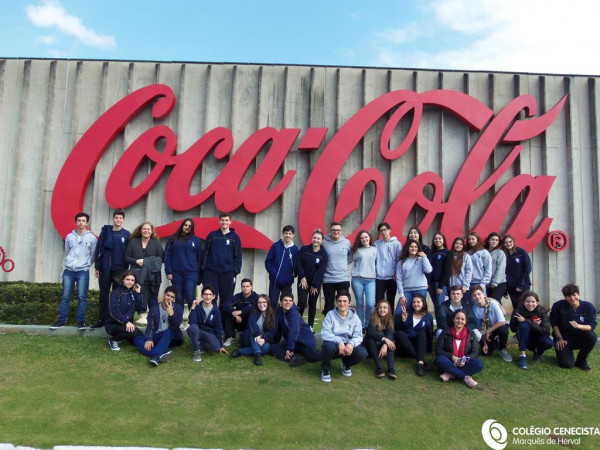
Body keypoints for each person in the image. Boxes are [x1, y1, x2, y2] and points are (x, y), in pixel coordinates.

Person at [50, 212, 97, 330]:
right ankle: (61, 320)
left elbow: (93, 254)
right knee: (65, 296)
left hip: (83, 271)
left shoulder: (91, 238)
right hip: (69, 270)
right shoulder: (69, 237)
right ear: (76, 222)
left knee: (82, 297)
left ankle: (81, 322)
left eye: (83, 221)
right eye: (79, 221)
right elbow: (67, 251)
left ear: (87, 223)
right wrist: (70, 263)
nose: (81, 223)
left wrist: (86, 264)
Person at [92, 210, 130, 329]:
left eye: (120, 218)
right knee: (104, 295)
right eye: (116, 217)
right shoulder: (106, 232)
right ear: (113, 219)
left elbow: (128, 253)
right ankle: (101, 320)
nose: (118, 220)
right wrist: (97, 266)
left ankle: (116, 320)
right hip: (105, 269)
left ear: (123, 220)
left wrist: (126, 270)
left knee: (117, 296)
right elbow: (99, 250)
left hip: (120, 270)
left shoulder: (126, 234)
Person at [320, 291, 368, 383]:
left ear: (349, 303)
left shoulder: (355, 317)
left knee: (362, 353)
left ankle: (346, 363)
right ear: (336, 302)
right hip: (333, 343)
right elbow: (325, 333)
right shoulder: (330, 315)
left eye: (345, 301)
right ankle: (325, 369)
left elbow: (358, 335)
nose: (342, 303)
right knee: (328, 347)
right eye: (339, 301)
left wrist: (351, 344)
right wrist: (339, 341)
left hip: (347, 345)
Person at [550, 283, 597, 371]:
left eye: (574, 295)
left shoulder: (588, 307)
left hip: (579, 337)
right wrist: (559, 339)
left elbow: (591, 326)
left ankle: (581, 360)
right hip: (564, 339)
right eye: (568, 296)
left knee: (592, 336)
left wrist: (579, 326)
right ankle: (564, 354)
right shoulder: (558, 306)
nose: (572, 298)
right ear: (565, 297)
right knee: (567, 364)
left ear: (578, 295)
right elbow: (554, 324)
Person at [434, 310, 484, 388]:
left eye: (462, 319)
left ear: (466, 321)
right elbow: (438, 350)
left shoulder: (471, 334)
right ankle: (465, 378)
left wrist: (464, 359)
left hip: (464, 362)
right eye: (457, 318)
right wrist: (452, 357)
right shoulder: (445, 333)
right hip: (449, 362)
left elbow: (475, 352)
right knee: (440, 359)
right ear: (453, 319)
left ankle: (450, 373)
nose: (460, 321)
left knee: (479, 364)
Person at [270, 292, 321, 367]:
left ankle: (331, 352)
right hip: (294, 342)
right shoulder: (279, 312)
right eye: (285, 300)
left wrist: (289, 348)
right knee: (272, 347)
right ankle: (295, 357)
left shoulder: (294, 313)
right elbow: (278, 329)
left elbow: (294, 331)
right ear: (280, 302)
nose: (288, 303)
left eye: (290, 301)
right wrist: (274, 341)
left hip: (304, 341)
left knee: (312, 357)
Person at [202, 213, 242, 306]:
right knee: (211, 298)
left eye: (227, 220)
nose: (224, 222)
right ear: (219, 221)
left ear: (230, 222)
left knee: (227, 299)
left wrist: (236, 271)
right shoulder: (212, 235)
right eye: (222, 220)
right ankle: (212, 319)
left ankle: (224, 321)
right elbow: (205, 253)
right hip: (211, 272)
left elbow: (238, 255)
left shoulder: (235, 237)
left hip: (228, 272)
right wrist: (203, 268)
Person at [163, 218, 203, 309]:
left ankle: (193, 321)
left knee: (190, 296)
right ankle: (178, 321)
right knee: (178, 297)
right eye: (185, 225)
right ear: (182, 226)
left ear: (192, 228)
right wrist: (168, 271)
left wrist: (199, 275)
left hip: (191, 273)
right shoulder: (173, 239)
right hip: (176, 273)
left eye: (189, 226)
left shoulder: (196, 240)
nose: (187, 227)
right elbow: (166, 255)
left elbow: (200, 258)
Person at [125, 221, 164, 310]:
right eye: (144, 229)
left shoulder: (156, 243)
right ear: (140, 230)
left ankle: (153, 321)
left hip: (153, 277)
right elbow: (127, 258)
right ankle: (140, 319)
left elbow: (161, 259)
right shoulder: (133, 242)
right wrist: (136, 261)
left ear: (151, 231)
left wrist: (146, 262)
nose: (146, 231)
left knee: (153, 301)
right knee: (139, 300)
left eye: (148, 229)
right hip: (137, 276)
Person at [509, 290, 553, 369]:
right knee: (524, 325)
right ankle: (522, 356)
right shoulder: (518, 310)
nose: (530, 304)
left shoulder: (541, 311)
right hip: (524, 337)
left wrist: (528, 321)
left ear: (537, 302)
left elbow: (546, 331)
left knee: (549, 343)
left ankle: (537, 353)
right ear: (523, 302)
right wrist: (526, 323)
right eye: (528, 301)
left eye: (533, 302)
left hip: (538, 336)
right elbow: (512, 328)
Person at [104, 270, 145, 352]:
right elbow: (113, 311)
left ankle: (125, 338)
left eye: (132, 280)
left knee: (139, 336)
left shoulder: (132, 293)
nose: (130, 282)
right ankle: (113, 340)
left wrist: (138, 293)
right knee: (133, 333)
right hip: (113, 325)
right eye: (128, 279)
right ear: (123, 280)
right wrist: (127, 322)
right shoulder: (115, 293)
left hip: (127, 325)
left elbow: (139, 307)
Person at [142, 286, 184, 366]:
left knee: (169, 331)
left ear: (174, 299)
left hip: (174, 337)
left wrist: (171, 314)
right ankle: (163, 352)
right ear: (164, 295)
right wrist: (149, 339)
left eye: (172, 297)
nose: (169, 298)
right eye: (168, 295)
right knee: (140, 339)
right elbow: (150, 326)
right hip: (159, 335)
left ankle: (155, 356)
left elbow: (175, 327)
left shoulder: (178, 309)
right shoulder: (154, 309)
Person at [296, 229, 328, 331]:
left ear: (322, 240)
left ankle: (310, 326)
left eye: (318, 238)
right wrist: (302, 277)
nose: (316, 240)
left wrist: (315, 284)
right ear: (311, 238)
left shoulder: (324, 254)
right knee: (301, 301)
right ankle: (297, 323)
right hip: (303, 281)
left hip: (315, 284)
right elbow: (298, 264)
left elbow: (321, 270)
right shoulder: (304, 249)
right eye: (314, 238)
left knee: (312, 303)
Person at [395, 293, 434, 376]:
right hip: (405, 347)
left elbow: (430, 335)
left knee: (421, 332)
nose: (416, 304)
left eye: (418, 302)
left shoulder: (428, 316)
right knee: (399, 333)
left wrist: (429, 349)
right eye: (414, 302)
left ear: (423, 303)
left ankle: (420, 364)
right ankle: (422, 361)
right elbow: (397, 330)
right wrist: (403, 320)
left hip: (419, 347)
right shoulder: (406, 313)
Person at [231, 294, 276, 366]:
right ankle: (257, 356)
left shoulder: (273, 315)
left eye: (264, 302)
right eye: (259, 302)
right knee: (251, 331)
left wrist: (264, 340)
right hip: (249, 338)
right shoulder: (254, 311)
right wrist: (257, 335)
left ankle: (240, 352)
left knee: (267, 347)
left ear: (268, 303)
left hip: (261, 341)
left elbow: (272, 332)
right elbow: (252, 323)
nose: (261, 304)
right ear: (257, 304)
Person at [187, 286, 228, 362]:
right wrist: (192, 308)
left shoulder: (216, 310)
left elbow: (218, 328)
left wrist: (221, 346)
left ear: (213, 296)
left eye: (210, 294)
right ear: (202, 296)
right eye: (205, 294)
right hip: (198, 331)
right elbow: (192, 323)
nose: (207, 296)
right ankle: (196, 351)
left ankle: (200, 344)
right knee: (193, 328)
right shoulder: (197, 307)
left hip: (208, 334)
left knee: (216, 347)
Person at [471, 286, 512, 362]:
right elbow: (479, 329)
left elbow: (502, 321)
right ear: (472, 298)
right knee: (486, 353)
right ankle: (494, 343)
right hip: (486, 330)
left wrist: (488, 331)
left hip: (498, 326)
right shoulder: (475, 309)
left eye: (479, 294)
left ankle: (502, 349)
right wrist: (485, 343)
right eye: (474, 295)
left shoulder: (493, 303)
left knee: (503, 329)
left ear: (484, 294)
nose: (477, 297)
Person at [321, 222, 352, 315]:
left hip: (343, 278)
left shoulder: (347, 243)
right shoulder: (324, 242)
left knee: (343, 305)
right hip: (328, 279)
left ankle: (343, 326)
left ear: (341, 231)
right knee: (329, 304)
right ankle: (328, 327)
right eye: (334, 230)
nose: (336, 232)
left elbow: (351, 255)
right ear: (330, 231)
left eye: (338, 230)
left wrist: (343, 263)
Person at [265, 225, 299, 309]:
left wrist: (293, 275)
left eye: (290, 234)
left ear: (293, 235)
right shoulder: (275, 246)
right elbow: (268, 261)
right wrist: (275, 274)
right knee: (272, 304)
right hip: (275, 281)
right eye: (286, 233)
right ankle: (272, 322)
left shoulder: (295, 249)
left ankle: (285, 322)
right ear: (283, 234)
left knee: (287, 305)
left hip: (287, 282)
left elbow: (297, 265)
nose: (288, 235)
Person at [395, 239, 432, 312]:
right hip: (407, 291)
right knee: (399, 312)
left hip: (420, 289)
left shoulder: (421, 259)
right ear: (407, 248)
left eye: (415, 247)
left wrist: (424, 257)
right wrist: (402, 295)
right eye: (411, 246)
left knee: (420, 312)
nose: (413, 248)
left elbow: (428, 270)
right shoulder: (402, 262)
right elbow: (399, 279)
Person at [351, 230, 377, 329]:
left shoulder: (375, 249)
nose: (364, 239)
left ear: (369, 238)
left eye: (366, 237)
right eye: (362, 238)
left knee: (370, 304)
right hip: (357, 279)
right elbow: (347, 260)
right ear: (359, 240)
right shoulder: (356, 250)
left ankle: (367, 325)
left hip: (371, 280)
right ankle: (361, 327)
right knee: (360, 304)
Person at [221, 278, 259, 347]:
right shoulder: (238, 296)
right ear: (241, 287)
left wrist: (241, 311)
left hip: (249, 323)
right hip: (238, 321)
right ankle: (230, 337)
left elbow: (256, 307)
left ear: (251, 287)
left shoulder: (256, 297)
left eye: (247, 286)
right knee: (227, 313)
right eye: (243, 286)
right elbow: (225, 304)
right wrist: (234, 313)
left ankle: (245, 337)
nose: (245, 288)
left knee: (252, 314)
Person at [364, 300, 397, 379]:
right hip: (370, 347)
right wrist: (384, 339)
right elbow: (371, 333)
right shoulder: (373, 317)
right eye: (380, 307)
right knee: (371, 340)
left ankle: (391, 369)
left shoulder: (390, 319)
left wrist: (385, 344)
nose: (382, 309)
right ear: (377, 309)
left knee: (390, 343)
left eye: (385, 308)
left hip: (382, 346)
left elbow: (390, 334)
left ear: (388, 309)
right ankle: (380, 368)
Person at [374, 222, 402, 312]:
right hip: (379, 278)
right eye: (381, 231)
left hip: (391, 278)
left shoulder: (397, 244)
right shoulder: (376, 244)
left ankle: (390, 323)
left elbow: (399, 260)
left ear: (389, 230)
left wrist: (396, 274)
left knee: (390, 301)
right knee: (378, 302)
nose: (383, 232)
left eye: (385, 230)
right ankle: (378, 323)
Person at [427, 232, 451, 329]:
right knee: (436, 307)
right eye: (436, 239)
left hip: (440, 284)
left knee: (441, 307)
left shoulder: (447, 252)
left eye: (440, 238)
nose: (437, 240)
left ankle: (444, 328)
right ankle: (439, 329)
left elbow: (447, 270)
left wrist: (441, 285)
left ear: (443, 240)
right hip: (431, 284)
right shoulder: (431, 253)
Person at [503, 235, 532, 311]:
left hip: (522, 286)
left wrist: (520, 285)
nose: (508, 244)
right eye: (506, 242)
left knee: (524, 307)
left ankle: (527, 322)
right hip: (511, 288)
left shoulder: (521, 252)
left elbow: (527, 268)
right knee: (516, 308)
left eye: (510, 241)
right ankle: (518, 323)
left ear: (513, 242)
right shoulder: (504, 255)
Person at [465, 232, 492, 308]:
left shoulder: (484, 253)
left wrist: (483, 283)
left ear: (477, 240)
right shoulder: (467, 253)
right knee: (470, 306)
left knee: (480, 306)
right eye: (469, 239)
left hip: (479, 283)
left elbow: (488, 270)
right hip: (468, 283)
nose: (471, 241)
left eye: (473, 239)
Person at [484, 232, 507, 304]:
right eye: (492, 239)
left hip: (499, 283)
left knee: (494, 302)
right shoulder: (484, 252)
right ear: (488, 240)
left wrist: (495, 283)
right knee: (488, 303)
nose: (494, 241)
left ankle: (501, 315)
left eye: (496, 240)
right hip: (487, 284)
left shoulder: (500, 253)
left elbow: (501, 269)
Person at [448, 237, 472, 301]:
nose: (458, 245)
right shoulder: (450, 255)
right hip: (452, 287)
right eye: (456, 243)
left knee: (463, 307)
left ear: (463, 246)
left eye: (461, 244)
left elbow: (469, 271)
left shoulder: (466, 256)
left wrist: (465, 285)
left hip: (462, 287)